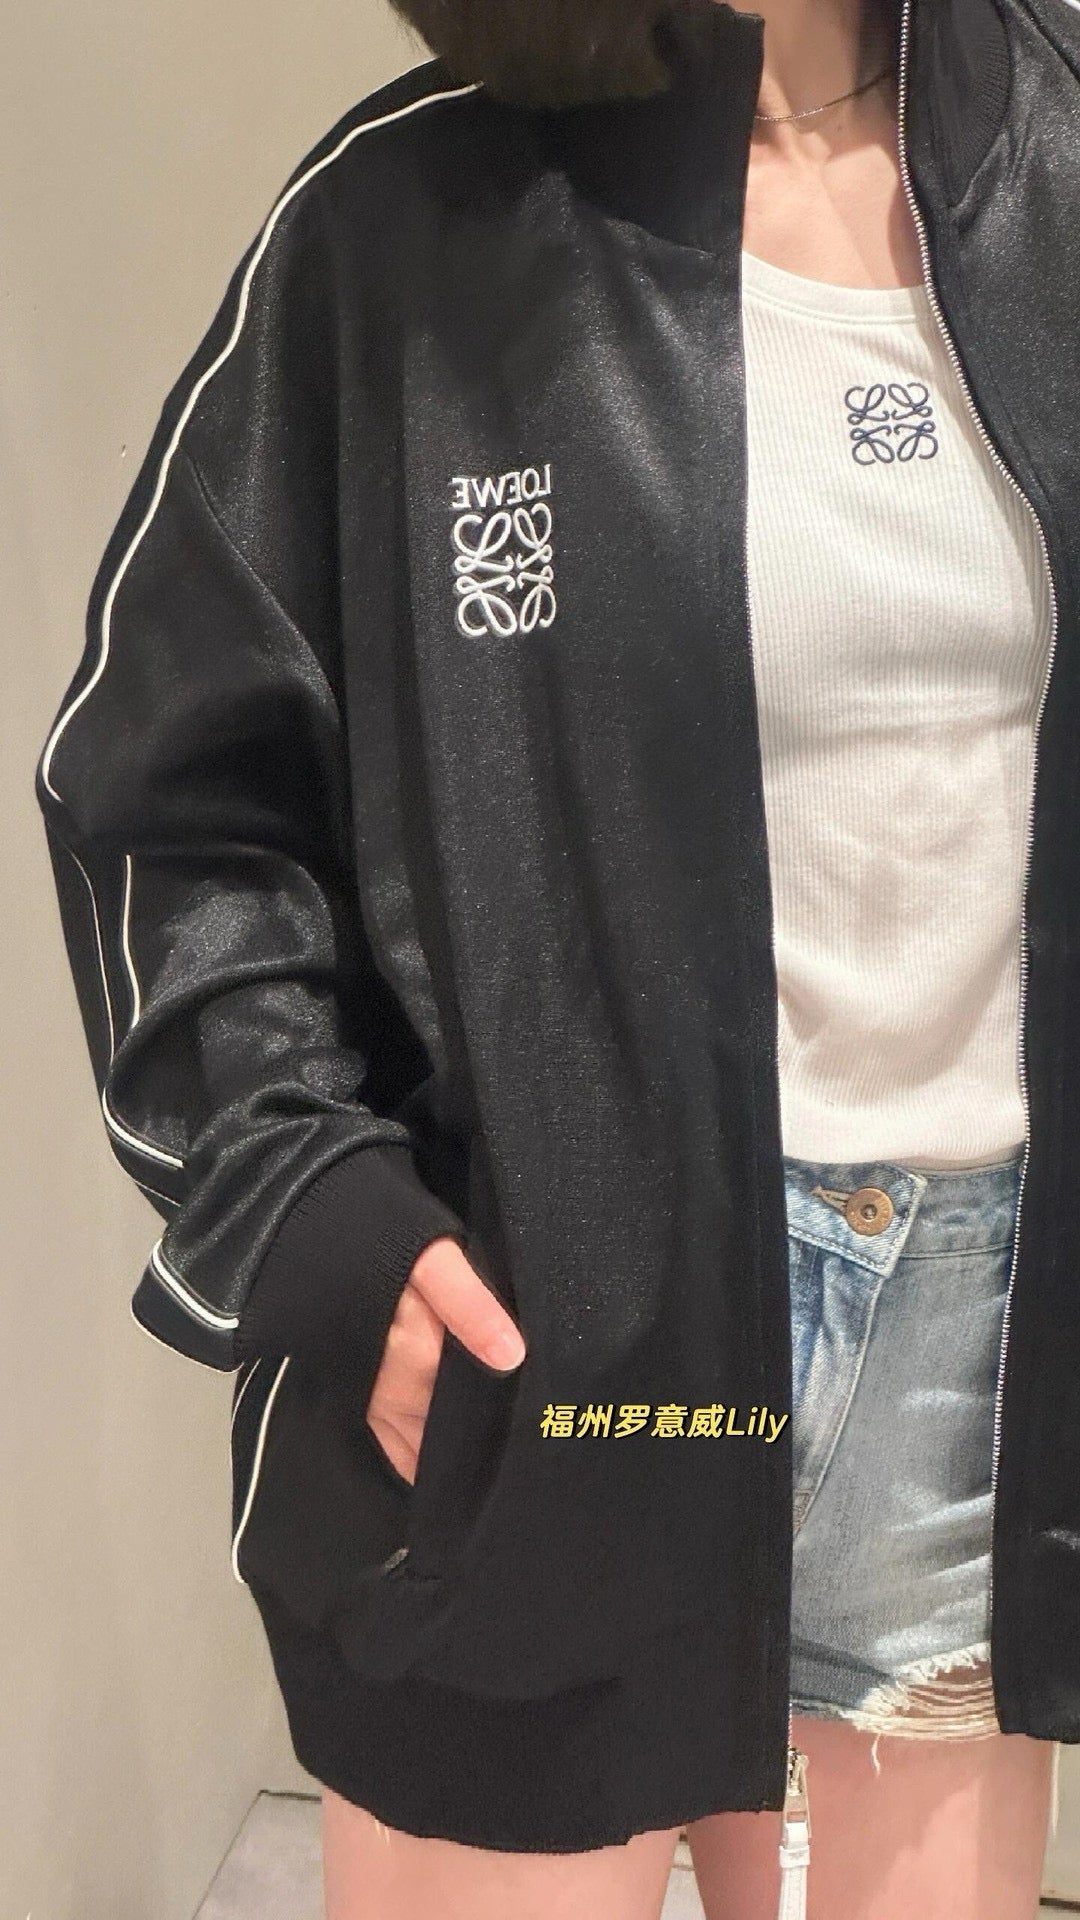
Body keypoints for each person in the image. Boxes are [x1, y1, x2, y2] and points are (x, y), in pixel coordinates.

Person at [33, 0, 1079, 1912]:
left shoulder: (1060, 155)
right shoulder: (404, 219)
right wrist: (314, 1205)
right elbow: (173, 790)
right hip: (556, 1357)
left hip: (973, 1372)